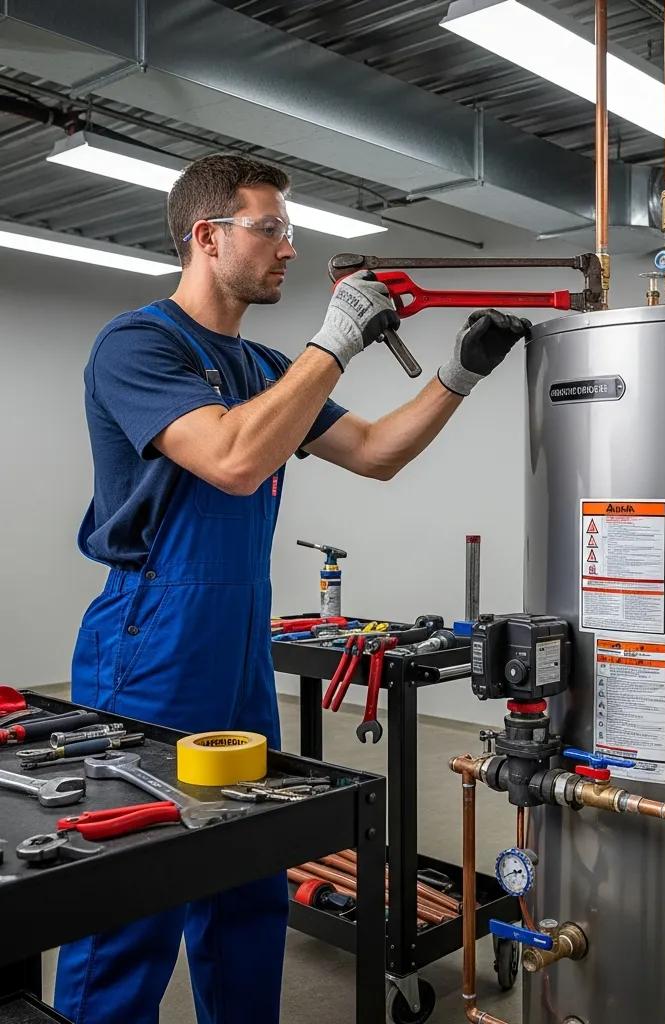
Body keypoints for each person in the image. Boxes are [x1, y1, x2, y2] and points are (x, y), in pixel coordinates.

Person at [56, 153, 530, 1024]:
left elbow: (377, 453)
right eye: (269, 229)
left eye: (290, 232)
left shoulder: (265, 366)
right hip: (150, 633)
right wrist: (334, 341)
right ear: (208, 237)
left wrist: (461, 372)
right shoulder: (138, 343)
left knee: (248, 877)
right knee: (136, 893)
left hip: (236, 633)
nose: (287, 249)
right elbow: (233, 460)